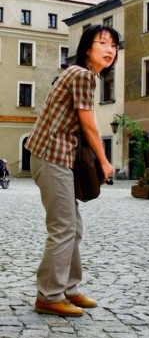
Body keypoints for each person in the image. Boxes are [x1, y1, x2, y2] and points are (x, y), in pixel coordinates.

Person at [25, 25, 118, 317]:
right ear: (87, 48)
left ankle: (69, 289)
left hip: (59, 157)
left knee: (73, 228)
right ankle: (49, 296)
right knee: (63, 228)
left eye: (113, 45)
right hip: (52, 156)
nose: (109, 49)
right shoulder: (80, 75)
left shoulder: (84, 76)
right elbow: (89, 125)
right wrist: (104, 160)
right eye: (102, 42)